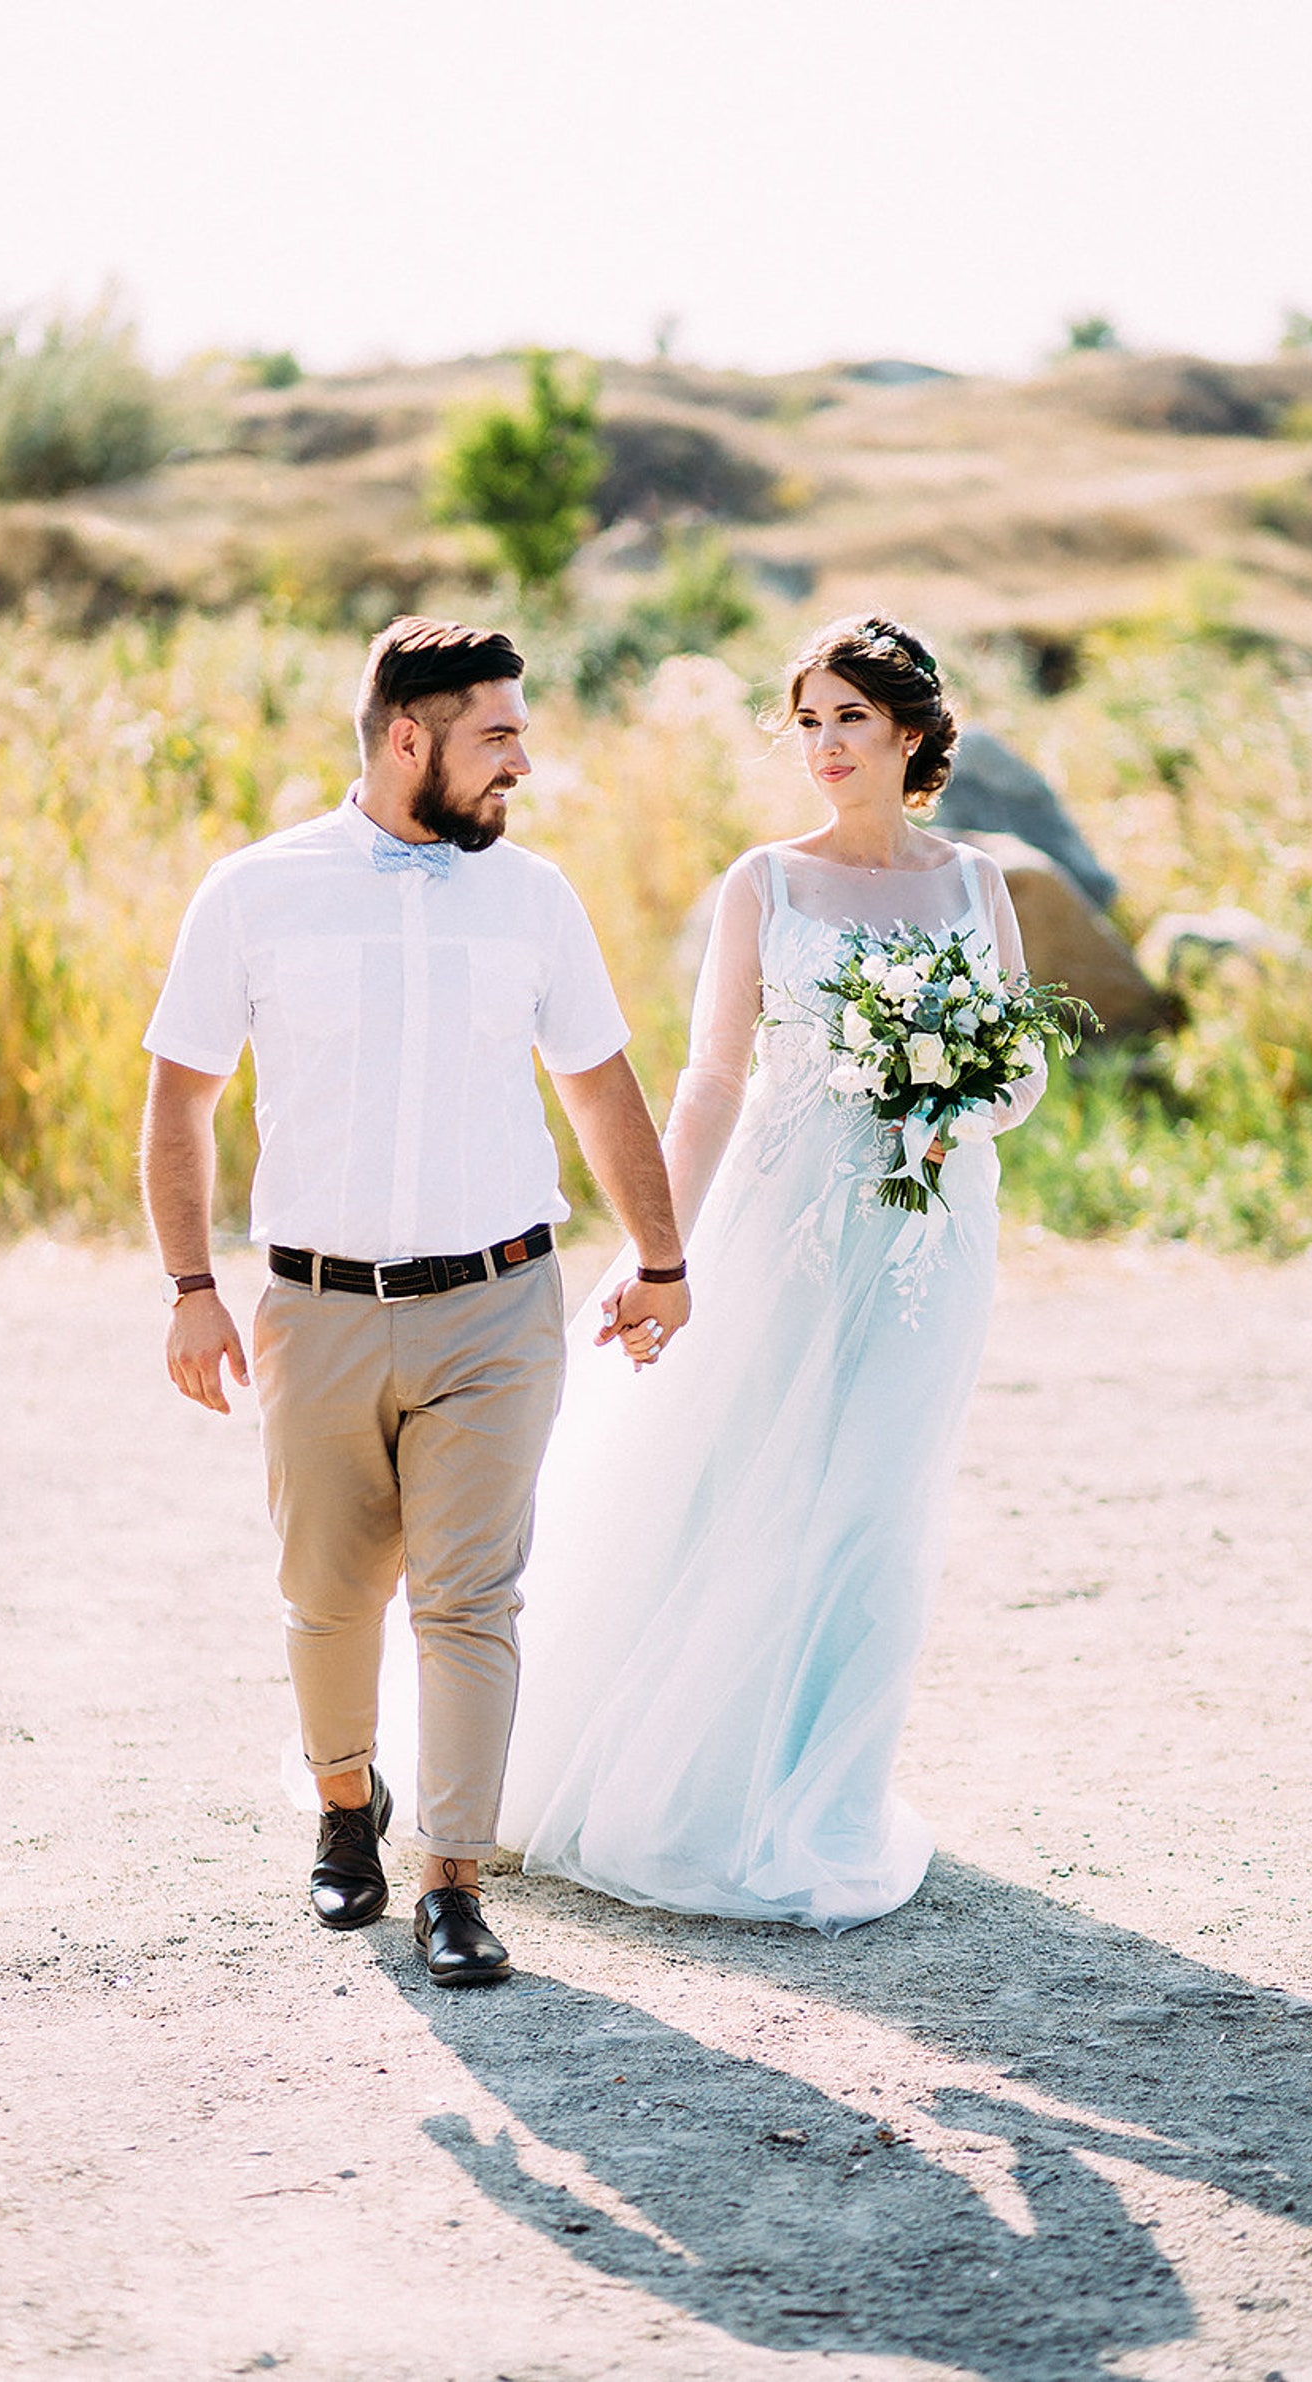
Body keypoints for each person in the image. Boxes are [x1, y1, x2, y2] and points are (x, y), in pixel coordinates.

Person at [140, 615, 690, 1985]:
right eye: (496, 734)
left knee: (470, 1599)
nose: (521, 761)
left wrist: (663, 1255)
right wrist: (192, 1287)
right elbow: (181, 1096)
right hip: (314, 1311)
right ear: (408, 738)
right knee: (326, 1598)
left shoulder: (536, 897)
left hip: (499, 1304)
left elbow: (600, 1082)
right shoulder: (256, 890)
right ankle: (345, 1813)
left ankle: (451, 1875)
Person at [497, 615, 1047, 1935]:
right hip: (783, 1222)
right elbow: (712, 1084)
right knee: (753, 1472)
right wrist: (655, 1245)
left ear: (909, 732)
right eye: (806, 720)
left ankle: (832, 1794)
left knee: (879, 1489)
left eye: (848, 718)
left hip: (930, 1229)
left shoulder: (977, 884)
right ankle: (701, 1785)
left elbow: (1023, 1070)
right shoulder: (765, 883)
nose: (824, 745)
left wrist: (951, 1089)